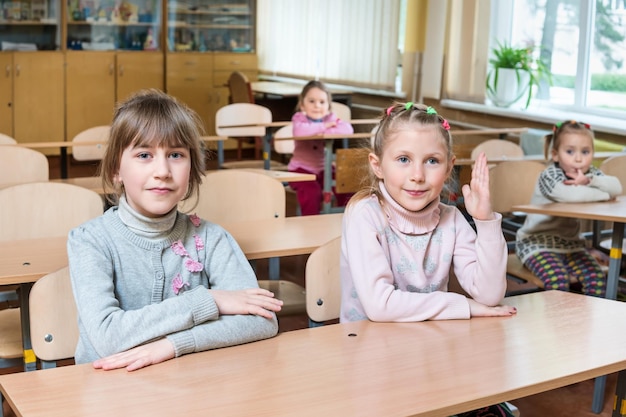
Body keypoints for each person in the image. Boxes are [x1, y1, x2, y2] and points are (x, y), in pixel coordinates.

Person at [67, 89, 282, 372]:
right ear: (115, 171)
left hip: (192, 386)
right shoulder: (90, 241)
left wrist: (172, 345)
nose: (163, 171)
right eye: (144, 155)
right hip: (112, 392)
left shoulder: (211, 238)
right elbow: (109, 337)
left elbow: (262, 320)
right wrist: (212, 300)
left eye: (176, 154)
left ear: (192, 169)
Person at [340, 102, 517, 416]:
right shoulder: (364, 215)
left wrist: (486, 220)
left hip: (433, 350)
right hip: (370, 358)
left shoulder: (451, 218)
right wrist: (463, 306)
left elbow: (490, 294)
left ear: (449, 167)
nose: (418, 175)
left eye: (431, 161)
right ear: (378, 165)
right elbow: (380, 306)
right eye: (404, 159)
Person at [515, 120, 622, 296]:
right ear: (556, 155)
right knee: (558, 280)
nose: (578, 158)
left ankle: (589, 321)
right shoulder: (549, 175)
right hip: (537, 244)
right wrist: (605, 195)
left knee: (597, 279)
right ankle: (557, 323)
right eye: (570, 151)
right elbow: (573, 196)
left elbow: (616, 187)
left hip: (571, 245)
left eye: (585, 152)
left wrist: (590, 181)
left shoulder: (589, 174)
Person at [287, 80, 354, 215]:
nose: (317, 105)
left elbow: (347, 129)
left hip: (324, 168)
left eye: (322, 102)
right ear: (302, 105)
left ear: (328, 106)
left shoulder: (330, 117)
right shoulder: (299, 118)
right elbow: (300, 132)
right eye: (311, 101)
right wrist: (324, 127)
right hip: (300, 170)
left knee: (344, 184)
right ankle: (312, 224)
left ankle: (345, 219)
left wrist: (324, 131)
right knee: (312, 191)